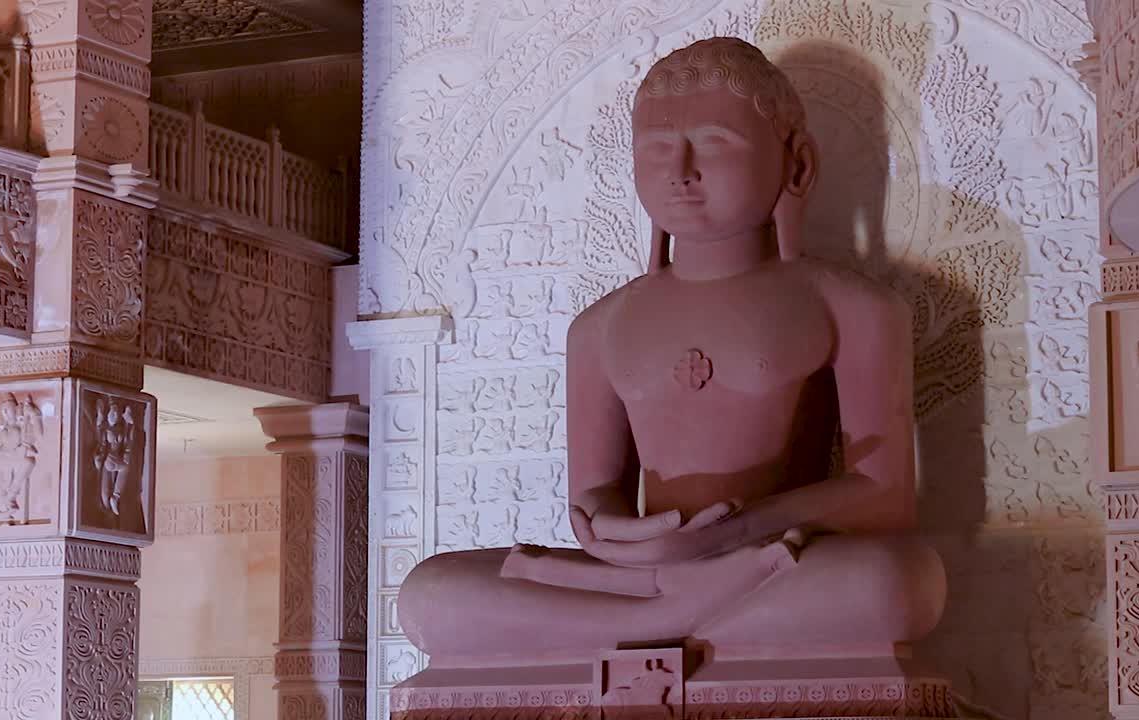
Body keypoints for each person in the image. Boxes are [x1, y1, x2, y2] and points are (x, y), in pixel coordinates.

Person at [397, 37, 944, 669]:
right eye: (657, 150)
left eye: (714, 143)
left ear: (796, 167)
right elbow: (594, 497)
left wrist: (739, 532)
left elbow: (885, 493)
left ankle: (648, 628)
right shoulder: (599, 327)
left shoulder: (850, 305)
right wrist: (616, 533)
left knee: (897, 582)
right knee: (427, 594)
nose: (680, 170)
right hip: (636, 575)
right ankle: (666, 618)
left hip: (771, 561)